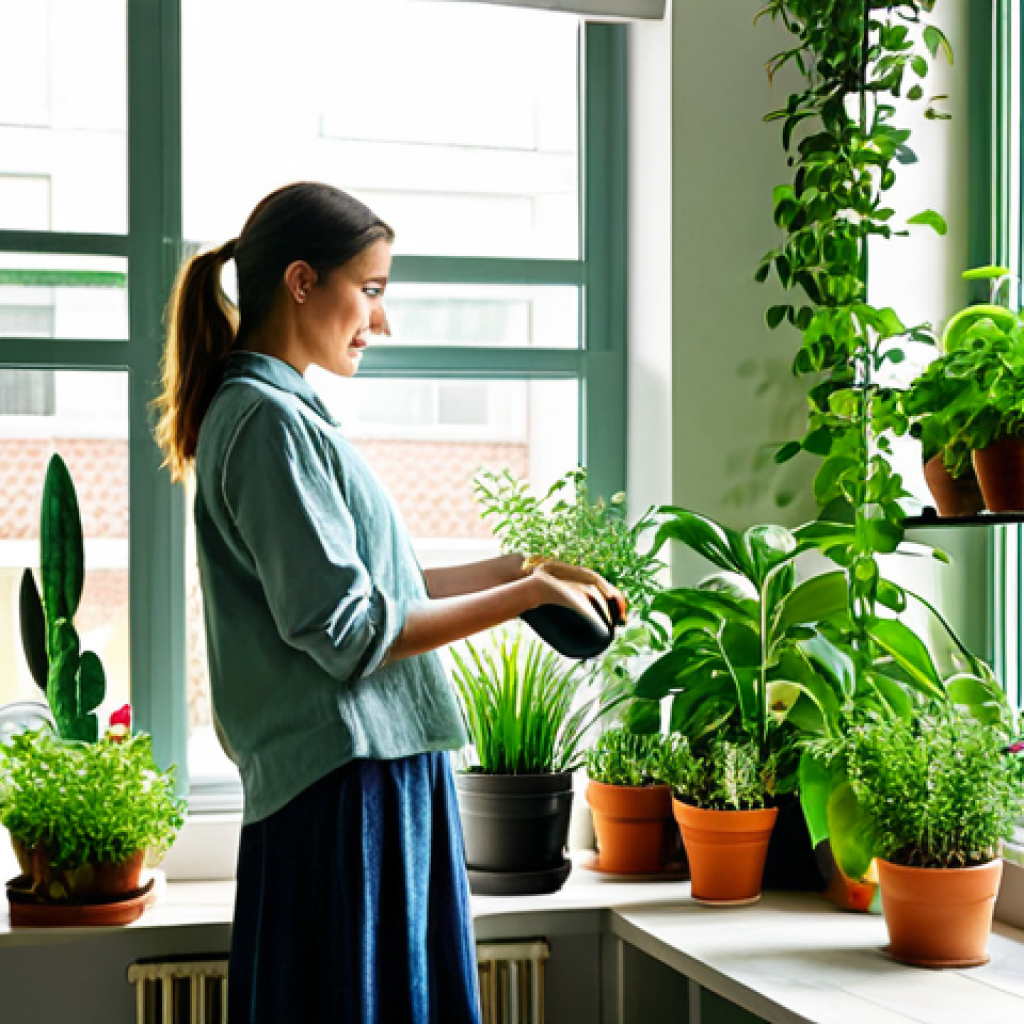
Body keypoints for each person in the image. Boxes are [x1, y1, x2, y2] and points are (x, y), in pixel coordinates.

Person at [153, 181, 624, 1024]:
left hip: (373, 780)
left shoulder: (287, 415)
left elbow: (383, 588)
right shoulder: (264, 423)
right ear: (302, 282)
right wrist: (524, 597)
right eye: (370, 291)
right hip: (345, 796)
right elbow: (350, 631)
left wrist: (525, 568)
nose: (383, 320)